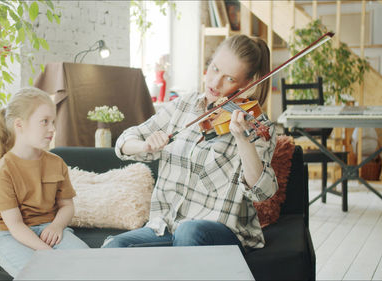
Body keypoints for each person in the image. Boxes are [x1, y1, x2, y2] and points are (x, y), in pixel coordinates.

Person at [102, 34, 278, 252]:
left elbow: (263, 192)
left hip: (220, 232)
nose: (215, 83)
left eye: (229, 78)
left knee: (189, 231)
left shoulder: (254, 124)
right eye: (214, 69)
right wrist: (145, 146)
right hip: (164, 229)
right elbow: (124, 143)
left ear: (248, 84)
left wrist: (243, 140)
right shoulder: (183, 106)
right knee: (115, 245)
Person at [0, 88, 89, 278]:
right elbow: (15, 226)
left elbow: (67, 206)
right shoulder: (3, 171)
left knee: (89, 264)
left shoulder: (56, 163)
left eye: (53, 122)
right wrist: (47, 252)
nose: (52, 128)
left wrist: (56, 226)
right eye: (44, 121)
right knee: (42, 274)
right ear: (19, 125)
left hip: (49, 227)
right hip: (10, 234)